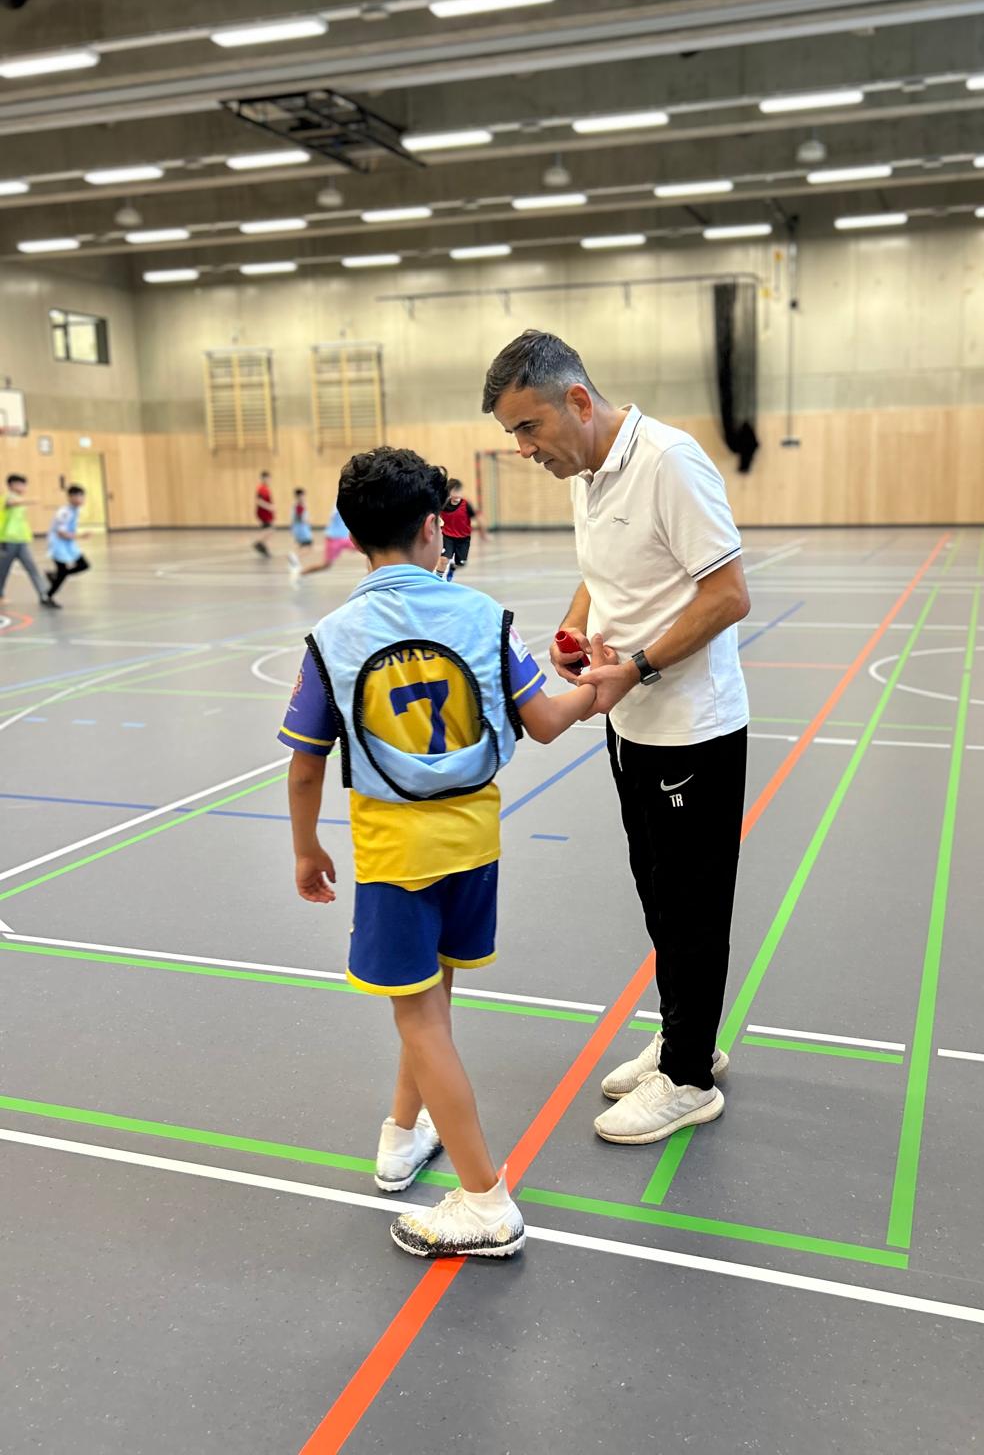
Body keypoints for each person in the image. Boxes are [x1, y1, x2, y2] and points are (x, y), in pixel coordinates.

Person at [278, 446, 606, 1259]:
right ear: (434, 527)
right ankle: (402, 1134)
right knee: (431, 996)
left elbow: (306, 764)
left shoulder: (332, 636)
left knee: (419, 1014)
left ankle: (485, 1200)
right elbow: (547, 720)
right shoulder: (484, 616)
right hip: (474, 843)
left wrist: (306, 848)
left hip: (396, 855)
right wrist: (608, 682)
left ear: (355, 536)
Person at [484, 330, 751, 1148]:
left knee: (691, 906)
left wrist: (635, 665)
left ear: (577, 401)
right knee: (657, 894)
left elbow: (729, 594)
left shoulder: (669, 462)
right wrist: (574, 628)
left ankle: (690, 1079)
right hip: (632, 724)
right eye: (512, 434)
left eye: (528, 428)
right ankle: (684, 1038)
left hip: (691, 731)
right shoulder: (589, 472)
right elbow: (601, 571)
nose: (523, 449)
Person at [0, 473, 57, 610]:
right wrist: (30, 500)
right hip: (7, 540)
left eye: (24, 484)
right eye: (20, 484)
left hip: (22, 541)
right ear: (11, 485)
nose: (23, 487)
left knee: (32, 568)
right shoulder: (6, 498)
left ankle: (44, 595)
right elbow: (10, 503)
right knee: (2, 570)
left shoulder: (20, 501)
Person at [290, 501, 354, 584]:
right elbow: (334, 515)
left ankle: (370, 579)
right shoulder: (339, 504)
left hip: (347, 537)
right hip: (334, 538)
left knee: (369, 550)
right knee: (326, 565)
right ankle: (302, 573)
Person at [45, 484, 91, 602]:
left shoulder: (76, 510)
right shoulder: (64, 512)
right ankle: (48, 596)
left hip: (68, 544)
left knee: (83, 565)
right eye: (77, 496)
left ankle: (54, 576)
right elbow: (61, 533)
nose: (80, 499)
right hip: (58, 544)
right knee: (62, 571)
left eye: (82, 496)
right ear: (70, 497)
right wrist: (81, 536)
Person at [434, 478, 483, 581]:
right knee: (443, 559)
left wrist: (483, 532)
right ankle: (437, 580)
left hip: (463, 538)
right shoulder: (444, 504)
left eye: (458, 491)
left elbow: (478, 517)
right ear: (449, 492)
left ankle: (452, 568)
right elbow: (434, 514)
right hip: (448, 536)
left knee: (461, 563)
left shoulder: (466, 505)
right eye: (454, 491)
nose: (456, 493)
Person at [252, 470, 274, 557]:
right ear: (264, 478)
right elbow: (258, 501)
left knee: (268, 530)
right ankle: (258, 543)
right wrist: (268, 506)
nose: (269, 480)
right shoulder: (261, 488)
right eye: (268, 478)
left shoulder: (265, 488)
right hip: (263, 513)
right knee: (269, 530)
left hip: (266, 513)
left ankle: (263, 546)